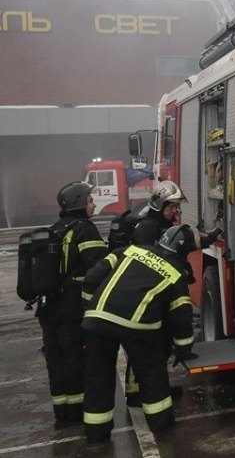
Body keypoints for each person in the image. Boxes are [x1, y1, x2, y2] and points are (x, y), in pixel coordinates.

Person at [81, 225, 200, 442]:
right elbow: (182, 316)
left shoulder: (129, 250)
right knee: (152, 373)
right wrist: (183, 349)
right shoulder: (175, 274)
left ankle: (96, 433)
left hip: (98, 320)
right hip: (137, 326)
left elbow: (91, 278)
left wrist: (91, 310)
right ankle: (161, 425)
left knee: (97, 376)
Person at [124, 180, 220, 407]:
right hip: (151, 296)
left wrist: (212, 236)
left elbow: (184, 242)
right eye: (172, 206)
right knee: (148, 347)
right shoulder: (147, 229)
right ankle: (137, 391)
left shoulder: (161, 225)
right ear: (159, 205)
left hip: (159, 294)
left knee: (159, 345)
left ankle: (152, 387)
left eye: (177, 206)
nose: (176, 211)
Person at [39, 181, 108, 429]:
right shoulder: (84, 230)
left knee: (55, 359)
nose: (93, 204)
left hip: (48, 308)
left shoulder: (56, 228)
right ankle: (78, 412)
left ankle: (62, 414)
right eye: (90, 200)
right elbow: (100, 268)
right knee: (76, 359)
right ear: (79, 202)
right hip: (71, 308)